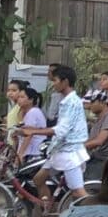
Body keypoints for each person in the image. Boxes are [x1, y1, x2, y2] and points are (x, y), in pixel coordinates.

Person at [32, 65, 88, 205]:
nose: (53, 83)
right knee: (38, 180)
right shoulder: (65, 101)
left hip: (69, 153)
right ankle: (46, 209)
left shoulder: (72, 103)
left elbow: (61, 130)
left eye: (55, 80)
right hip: (59, 150)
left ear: (65, 82)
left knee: (78, 193)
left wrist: (33, 131)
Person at [82, 87, 108, 187]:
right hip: (96, 158)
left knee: (89, 188)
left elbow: (99, 141)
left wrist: (79, 146)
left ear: (102, 102)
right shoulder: (99, 120)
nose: (89, 105)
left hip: (105, 161)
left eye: (92, 101)